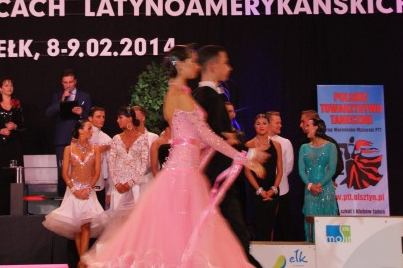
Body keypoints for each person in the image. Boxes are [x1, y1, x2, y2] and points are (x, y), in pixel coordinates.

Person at [81, 45, 266, 267]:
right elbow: (206, 135)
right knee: (184, 235)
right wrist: (244, 159)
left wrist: (221, 145)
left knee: (185, 235)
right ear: (180, 65)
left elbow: (195, 138)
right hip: (182, 175)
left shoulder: (178, 93)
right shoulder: (179, 95)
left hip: (184, 171)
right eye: (192, 61)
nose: (196, 66)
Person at [192, 45, 261, 268]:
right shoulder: (209, 97)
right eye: (225, 63)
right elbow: (215, 139)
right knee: (237, 235)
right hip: (217, 179)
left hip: (217, 178)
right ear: (213, 66)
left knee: (228, 236)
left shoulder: (204, 96)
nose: (229, 68)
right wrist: (249, 155)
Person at [42, 119, 104, 263]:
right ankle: (83, 260)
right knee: (76, 226)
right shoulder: (68, 149)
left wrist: (88, 188)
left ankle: (82, 261)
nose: (92, 131)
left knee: (86, 224)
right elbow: (64, 173)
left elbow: (97, 172)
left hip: (88, 191)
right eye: (89, 128)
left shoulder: (95, 149)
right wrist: (75, 191)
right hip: (73, 191)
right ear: (80, 131)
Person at [45, 69, 92, 195]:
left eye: (70, 82)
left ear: (75, 81)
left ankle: (80, 198)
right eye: (65, 83)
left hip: (79, 139)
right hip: (62, 140)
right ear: (62, 83)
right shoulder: (57, 96)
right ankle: (62, 201)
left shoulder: (85, 96)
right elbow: (48, 113)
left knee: (80, 170)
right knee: (62, 171)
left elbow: (90, 118)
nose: (68, 85)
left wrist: (82, 113)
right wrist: (61, 102)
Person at [0, 77, 25, 214]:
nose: (9, 88)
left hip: (14, 145)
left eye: (11, 85)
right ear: (0, 89)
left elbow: (24, 125)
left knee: (14, 175)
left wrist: (15, 126)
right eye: (6, 85)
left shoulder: (17, 104)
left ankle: (16, 209)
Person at [298, 117, 338, 242]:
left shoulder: (331, 146)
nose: (306, 128)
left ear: (316, 127)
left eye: (308, 125)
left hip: (326, 190)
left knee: (327, 223)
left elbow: (332, 170)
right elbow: (301, 170)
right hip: (310, 191)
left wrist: (319, 185)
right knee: (311, 224)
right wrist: (310, 186)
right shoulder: (304, 147)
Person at [244, 114, 282, 242]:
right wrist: (259, 190)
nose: (261, 126)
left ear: (268, 125)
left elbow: (280, 170)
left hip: (273, 191)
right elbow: (248, 171)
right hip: (256, 191)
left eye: (264, 123)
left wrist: (274, 188)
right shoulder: (250, 144)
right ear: (254, 126)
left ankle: (269, 251)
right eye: (258, 123)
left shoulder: (276, 145)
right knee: (257, 226)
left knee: (270, 225)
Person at [266, 110, 294, 241]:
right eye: (277, 123)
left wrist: (276, 181)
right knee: (266, 224)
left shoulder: (285, 142)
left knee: (283, 225)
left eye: (280, 122)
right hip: (263, 189)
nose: (280, 125)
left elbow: (288, 166)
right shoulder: (258, 142)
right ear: (269, 123)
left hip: (282, 189)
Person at [130, 105, 158, 195]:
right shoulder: (125, 138)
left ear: (143, 117)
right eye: (131, 116)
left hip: (149, 181)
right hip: (130, 183)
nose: (134, 118)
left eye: (135, 116)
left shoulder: (153, 138)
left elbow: (156, 164)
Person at [87, 107, 112, 208]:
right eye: (98, 117)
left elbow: (110, 166)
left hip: (99, 182)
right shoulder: (82, 136)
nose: (102, 119)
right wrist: (100, 149)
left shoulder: (107, 139)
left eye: (103, 117)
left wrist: (110, 190)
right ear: (90, 118)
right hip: (82, 182)